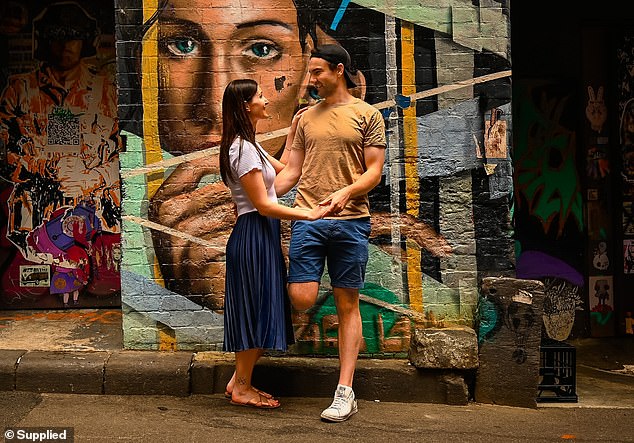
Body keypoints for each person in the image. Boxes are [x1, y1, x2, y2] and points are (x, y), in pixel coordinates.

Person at [275, 44, 386, 422]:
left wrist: (346, 192)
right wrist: (255, 196)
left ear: (339, 70)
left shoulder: (367, 114)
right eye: (310, 73)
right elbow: (291, 172)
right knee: (302, 297)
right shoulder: (304, 118)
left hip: (352, 223)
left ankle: (345, 390)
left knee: (347, 304)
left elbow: (374, 171)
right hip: (307, 219)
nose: (311, 80)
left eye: (317, 72)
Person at [0, 1, 121, 304]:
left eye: (73, 37)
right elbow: (3, 153)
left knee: (105, 285)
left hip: (98, 215)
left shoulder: (106, 90)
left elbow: (129, 149)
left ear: (86, 42)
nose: (65, 45)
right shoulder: (20, 90)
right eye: (57, 36)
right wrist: (39, 168)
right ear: (44, 41)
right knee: (23, 289)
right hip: (35, 216)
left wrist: (92, 177)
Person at [219, 79, 328, 408]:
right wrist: (307, 215)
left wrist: (296, 128)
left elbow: (288, 173)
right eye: (260, 96)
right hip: (253, 232)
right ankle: (241, 387)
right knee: (255, 310)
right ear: (245, 106)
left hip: (260, 232)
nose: (266, 100)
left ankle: (239, 381)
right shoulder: (241, 149)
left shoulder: (250, 144)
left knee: (264, 308)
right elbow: (264, 204)